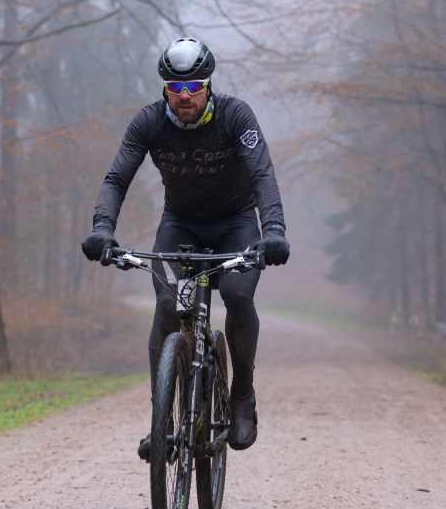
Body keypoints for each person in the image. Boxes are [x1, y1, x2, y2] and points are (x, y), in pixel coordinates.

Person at [80, 37, 290, 460]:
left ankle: (242, 394)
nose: (185, 96)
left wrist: (274, 231)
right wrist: (103, 228)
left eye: (194, 86)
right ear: (165, 91)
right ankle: (164, 424)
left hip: (236, 224)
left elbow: (263, 175)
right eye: (176, 89)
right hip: (181, 226)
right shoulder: (148, 123)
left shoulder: (236, 116)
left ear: (208, 85)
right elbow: (116, 178)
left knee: (235, 294)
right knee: (166, 304)